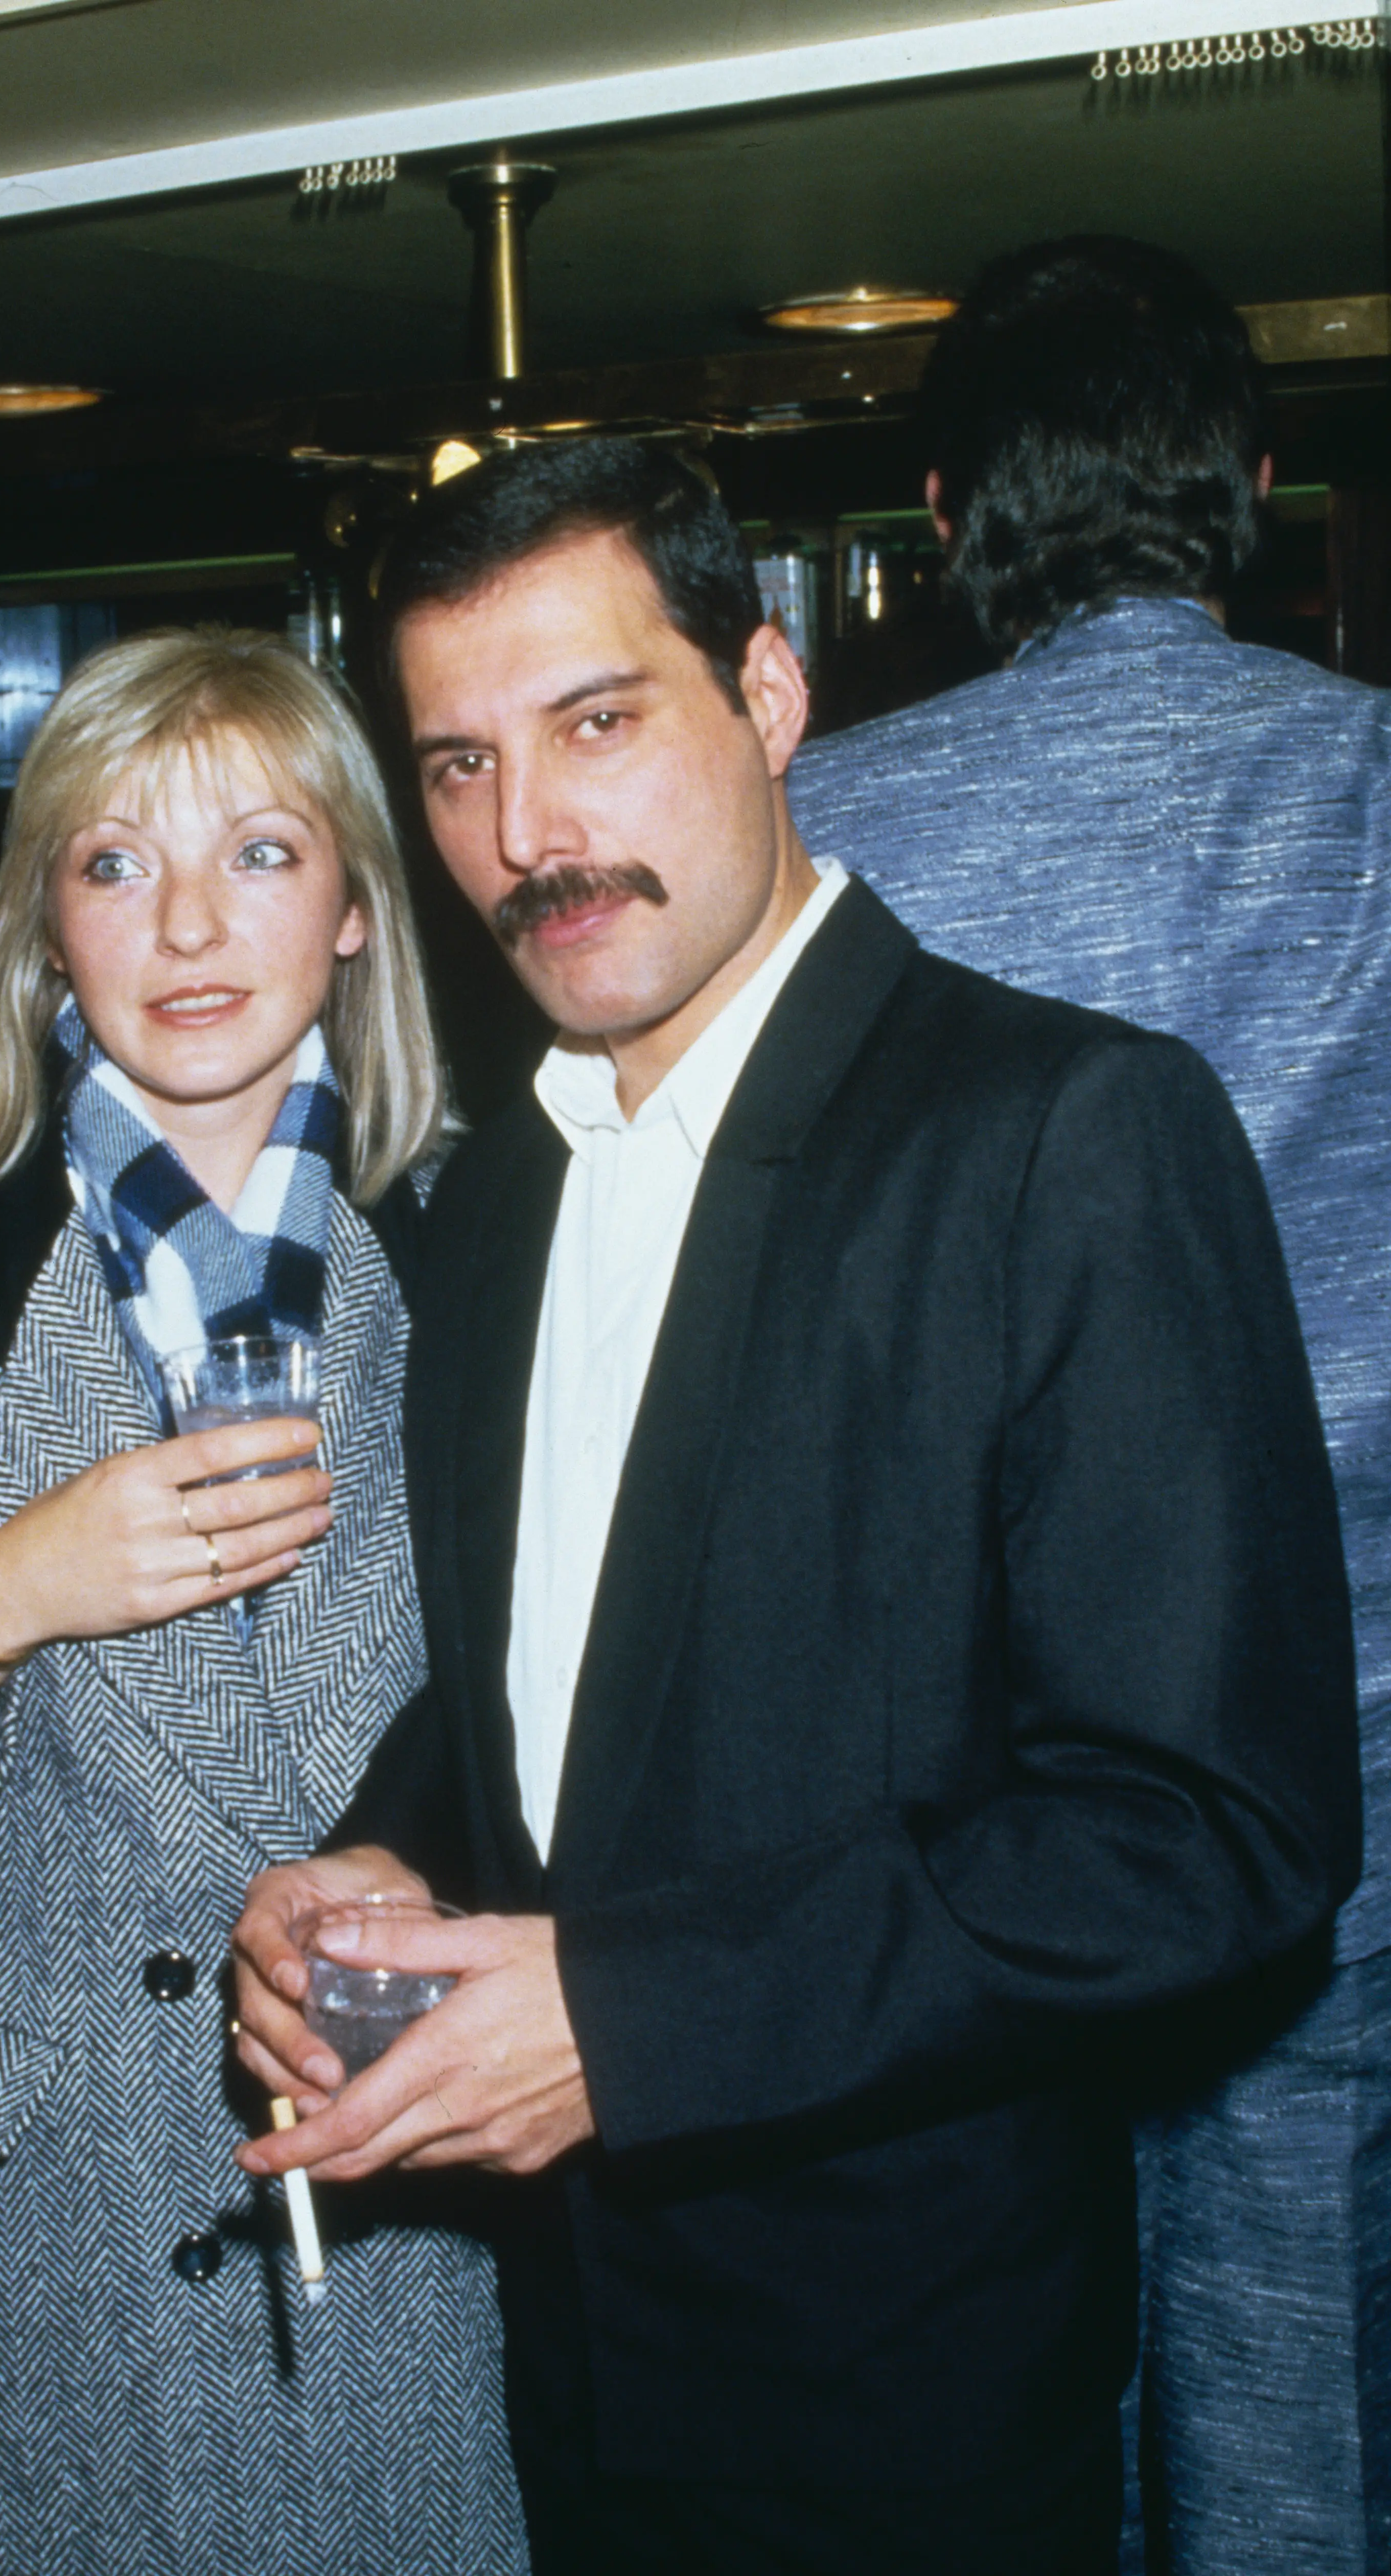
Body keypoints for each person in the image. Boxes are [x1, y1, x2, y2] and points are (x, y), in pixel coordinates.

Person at [229, 437, 1362, 2576]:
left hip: (903, 2405)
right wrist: (390, 1851)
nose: (527, 835)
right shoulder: (497, 1189)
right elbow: (560, 1683)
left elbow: (1218, 1833)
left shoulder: (1068, 1132)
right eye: (459, 766)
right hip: (565, 2360)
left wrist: (634, 2022)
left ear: (766, 695)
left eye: (595, 723)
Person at [0, 629, 527, 2576]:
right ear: (46, 926)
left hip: (395, 2233)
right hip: (17, 2261)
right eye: (117, 863)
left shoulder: (488, 1235)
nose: (189, 926)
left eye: (261, 854)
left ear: (361, 906)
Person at [785, 235, 1391, 2575]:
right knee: (1295, 2402)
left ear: (948, 513)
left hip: (964, 1786)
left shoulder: (829, 835)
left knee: (974, 2411)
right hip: (1353, 1758)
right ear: (1249, 482)